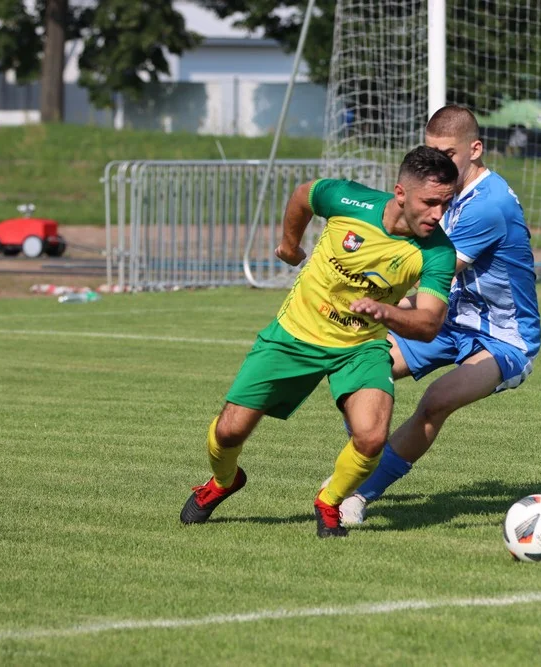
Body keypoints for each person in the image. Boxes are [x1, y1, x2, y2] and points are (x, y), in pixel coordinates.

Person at [180, 146, 458, 538]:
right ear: (400, 193)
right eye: (430, 203)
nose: (438, 215)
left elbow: (429, 323)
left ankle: (329, 502)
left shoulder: (438, 252)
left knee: (371, 435)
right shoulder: (348, 199)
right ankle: (223, 482)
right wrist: (289, 246)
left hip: (361, 347)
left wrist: (388, 313)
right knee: (228, 433)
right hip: (295, 334)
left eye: (447, 204)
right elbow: (303, 195)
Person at [336, 105, 541, 525]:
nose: (436, 163)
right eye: (429, 152)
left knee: (436, 401)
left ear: (475, 150)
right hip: (451, 319)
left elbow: (426, 275)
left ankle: (359, 493)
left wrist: (372, 301)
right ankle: (367, 457)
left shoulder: (489, 205)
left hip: (504, 337)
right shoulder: (443, 195)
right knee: (357, 362)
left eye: (447, 154)